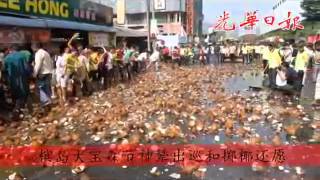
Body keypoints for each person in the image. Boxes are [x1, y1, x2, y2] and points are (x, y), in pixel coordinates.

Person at [4, 45, 31, 115]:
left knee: (14, 92)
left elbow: (4, 69)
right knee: (23, 92)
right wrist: (30, 75)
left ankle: (16, 108)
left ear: (12, 50)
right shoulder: (22, 56)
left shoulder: (7, 58)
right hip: (22, 78)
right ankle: (22, 108)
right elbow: (26, 68)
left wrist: (5, 79)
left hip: (12, 78)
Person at [32, 43, 54, 107]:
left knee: (41, 87)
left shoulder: (38, 53)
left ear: (35, 47)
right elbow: (51, 63)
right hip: (49, 72)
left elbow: (38, 65)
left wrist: (34, 74)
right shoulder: (46, 53)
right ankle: (49, 101)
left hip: (42, 73)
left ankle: (45, 102)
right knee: (47, 88)